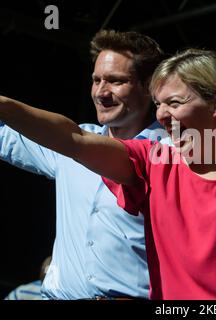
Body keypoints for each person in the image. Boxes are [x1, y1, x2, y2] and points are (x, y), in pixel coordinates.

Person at [0, 49, 216, 300]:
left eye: (174, 103)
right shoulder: (154, 161)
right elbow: (74, 139)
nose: (162, 115)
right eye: (160, 104)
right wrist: (6, 107)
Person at [0, 30, 170, 299]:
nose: (101, 92)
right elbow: (4, 134)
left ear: (149, 87)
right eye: (96, 80)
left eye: (115, 81)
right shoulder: (66, 144)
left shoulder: (171, 153)